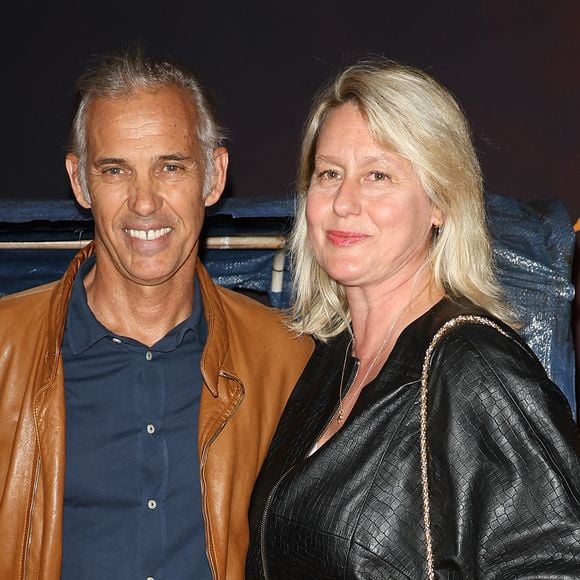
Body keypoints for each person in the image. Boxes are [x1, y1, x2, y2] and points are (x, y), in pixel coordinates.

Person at [246, 58, 580, 578]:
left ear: (440, 202)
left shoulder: (474, 367)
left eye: (378, 175)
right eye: (329, 173)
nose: (343, 202)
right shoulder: (332, 360)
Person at [0, 49, 313, 580]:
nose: (144, 203)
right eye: (115, 170)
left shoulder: (285, 361)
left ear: (213, 176)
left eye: (171, 167)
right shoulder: (6, 351)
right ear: (80, 183)